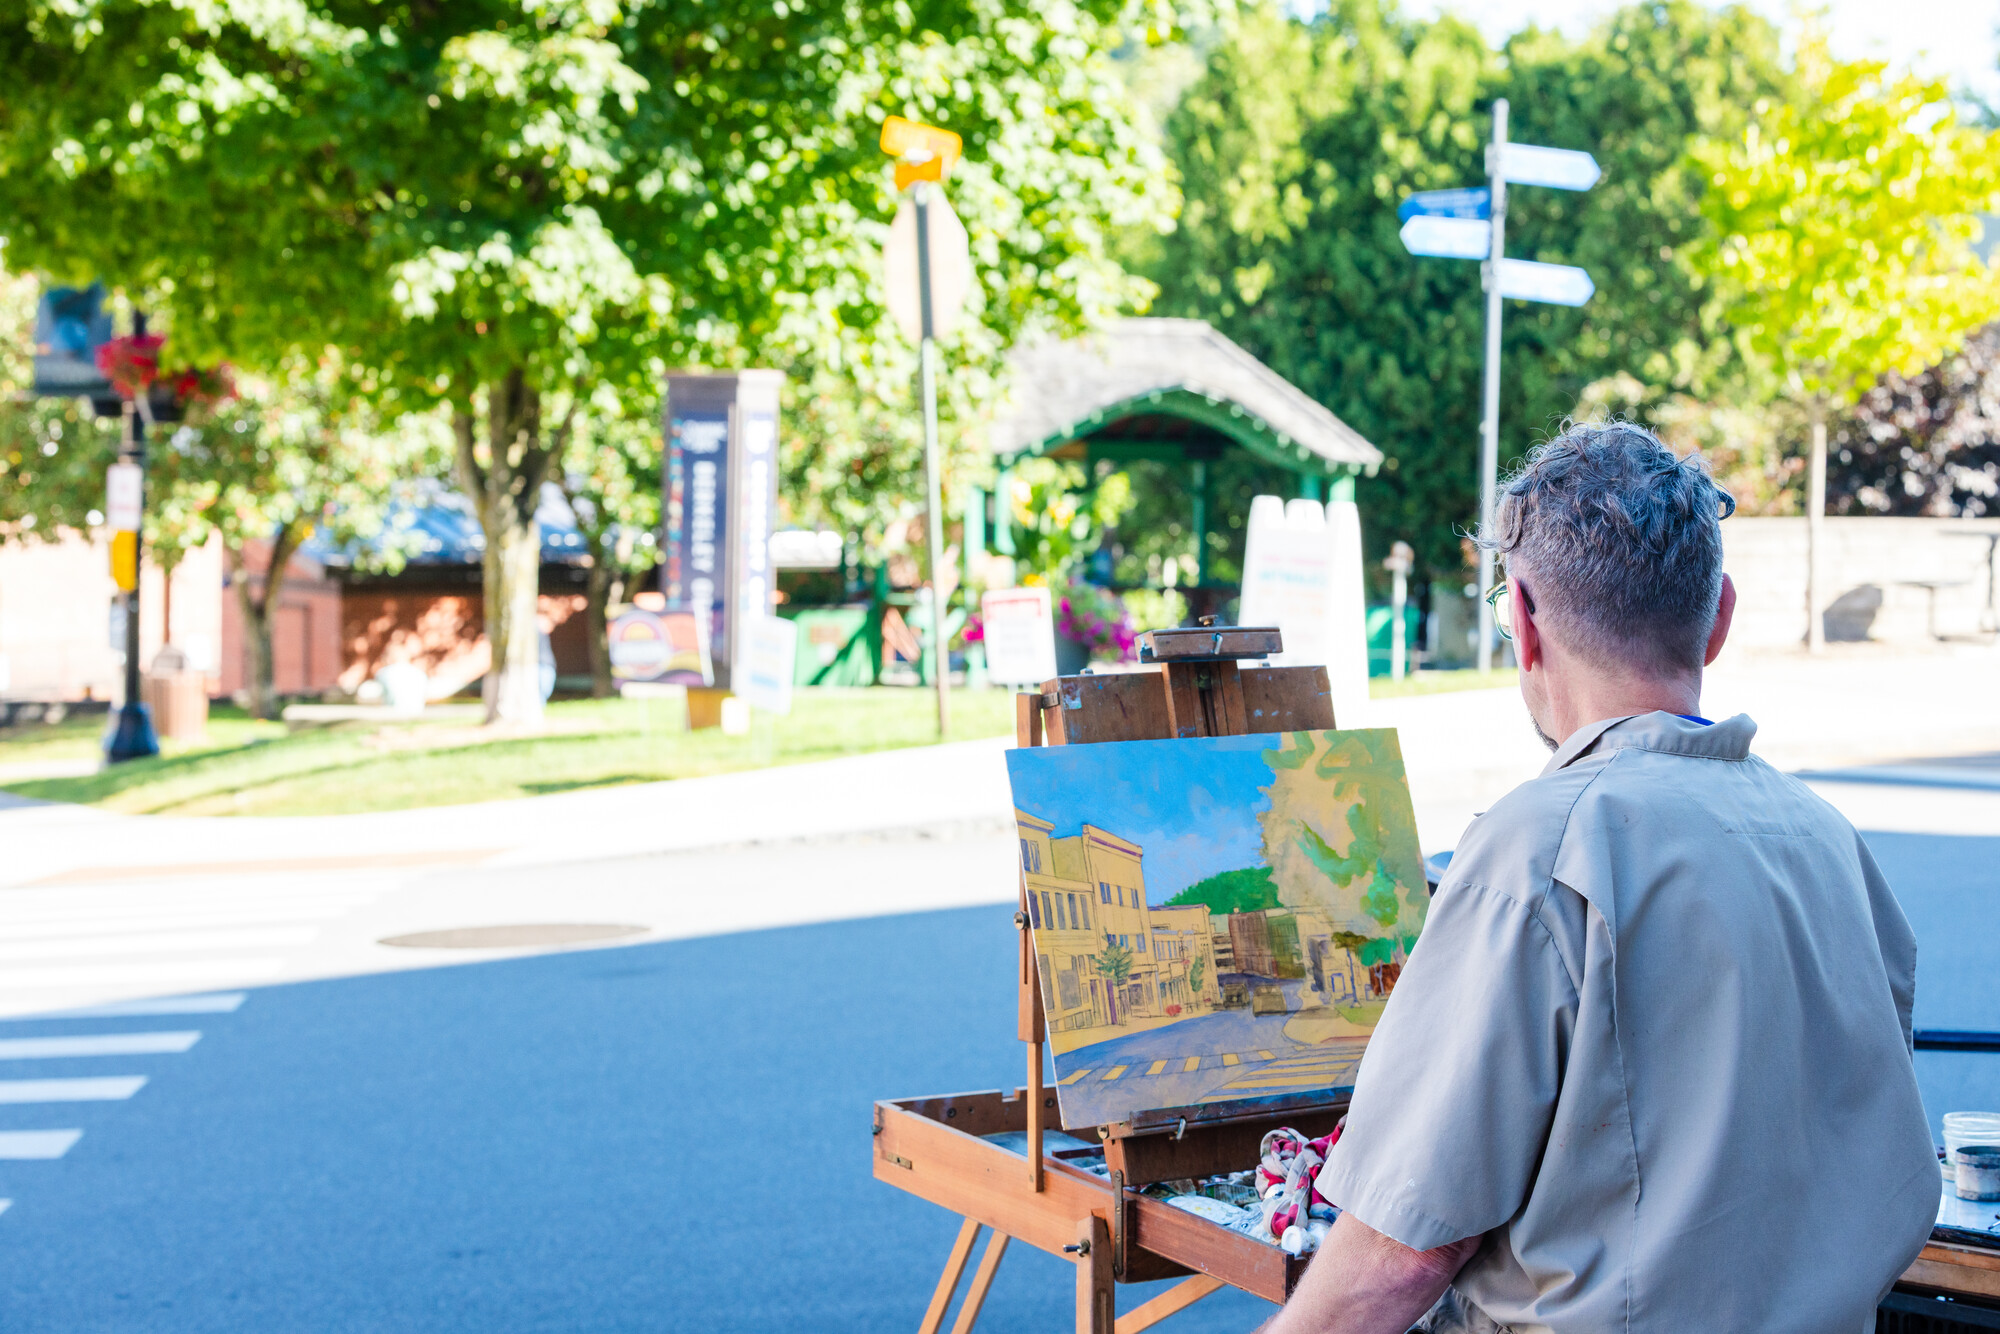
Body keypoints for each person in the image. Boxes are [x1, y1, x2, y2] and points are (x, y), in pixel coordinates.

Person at [1264, 422, 1939, 1334]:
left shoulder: (1539, 849)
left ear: (1523, 622)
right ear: (1719, 617)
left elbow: (1401, 1252)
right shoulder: (1827, 838)